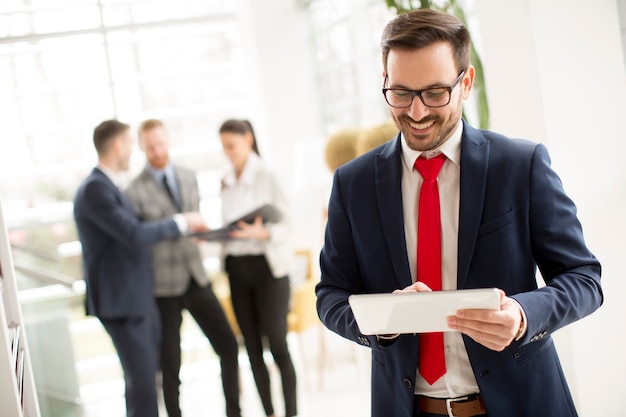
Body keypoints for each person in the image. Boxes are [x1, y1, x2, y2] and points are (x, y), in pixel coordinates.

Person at [315, 9, 602, 417]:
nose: (416, 113)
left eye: (434, 93)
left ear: (466, 82)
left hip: (521, 403)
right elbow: (330, 296)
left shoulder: (520, 165)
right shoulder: (353, 183)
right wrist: (382, 320)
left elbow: (584, 278)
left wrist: (523, 315)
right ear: (384, 81)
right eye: (400, 93)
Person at [73, 120, 208, 417]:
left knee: (144, 383)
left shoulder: (106, 186)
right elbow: (133, 234)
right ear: (117, 146)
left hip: (134, 299)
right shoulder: (96, 189)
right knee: (144, 386)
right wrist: (181, 222)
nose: (133, 152)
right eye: (131, 145)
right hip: (122, 302)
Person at [124, 119, 241, 417]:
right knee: (171, 365)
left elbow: (195, 221)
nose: (157, 150)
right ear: (141, 147)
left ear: (168, 140)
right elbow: (138, 238)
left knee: (228, 346)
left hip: (196, 276)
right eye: (150, 146)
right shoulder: (133, 191)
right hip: (164, 287)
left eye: (160, 144)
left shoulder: (189, 176)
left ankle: (234, 412)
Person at [218, 119, 297, 417]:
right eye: (223, 146)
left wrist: (263, 233)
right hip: (237, 269)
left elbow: (287, 222)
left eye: (232, 145)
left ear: (248, 140)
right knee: (251, 349)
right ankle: (269, 413)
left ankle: (291, 413)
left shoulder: (267, 174)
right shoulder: (225, 179)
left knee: (277, 344)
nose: (227, 152)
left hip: (268, 269)